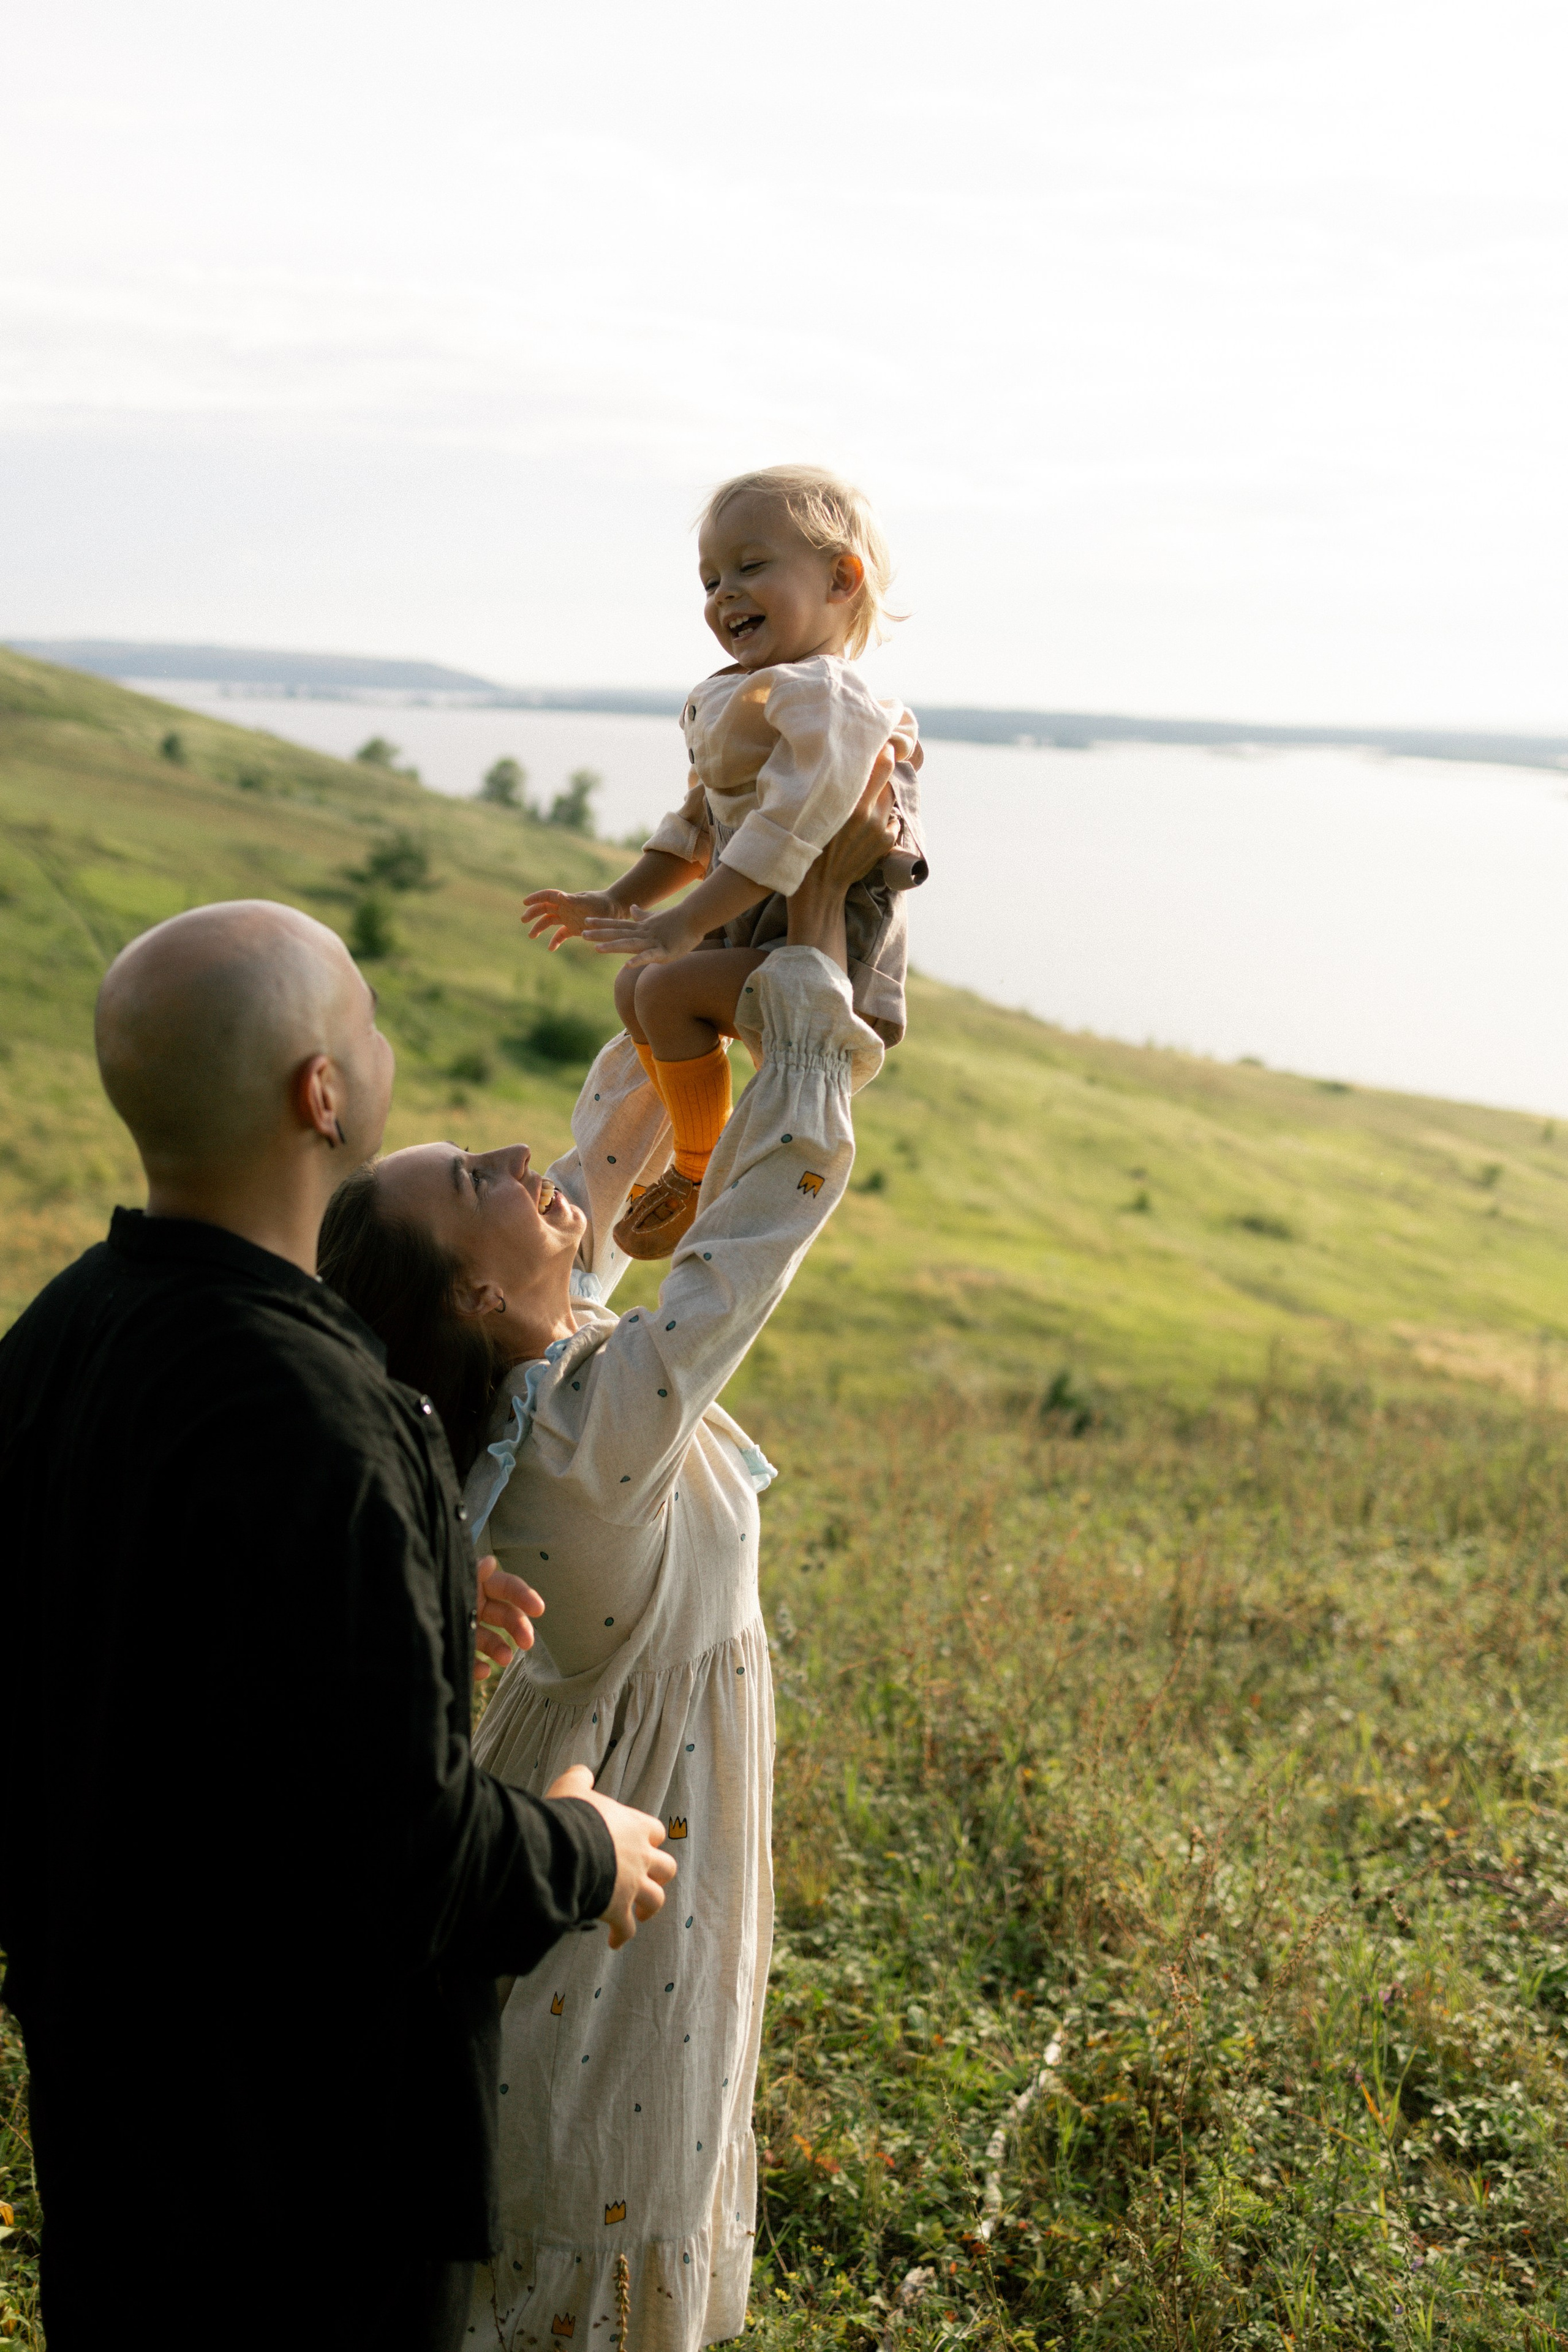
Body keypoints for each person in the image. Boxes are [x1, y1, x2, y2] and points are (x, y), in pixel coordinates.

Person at [0, 901, 676, 2352]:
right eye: (364, 1022)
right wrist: (579, 1842)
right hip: (308, 2171)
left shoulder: (65, 1333)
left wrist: (419, 1590)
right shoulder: (327, 1423)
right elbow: (395, 1859)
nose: (382, 1047)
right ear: (321, 1093)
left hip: (116, 2106)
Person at [317, 768, 900, 2352]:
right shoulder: (576, 1434)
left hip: (657, 1824)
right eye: (473, 1183)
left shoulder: (527, 1375)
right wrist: (806, 971)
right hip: (640, 1862)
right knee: (601, 2193)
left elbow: (614, 1130)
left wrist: (775, 868)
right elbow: (759, 1223)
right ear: (475, 1305)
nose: (521, 1162)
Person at [520, 464, 927, 1261]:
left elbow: (786, 836)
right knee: (636, 985)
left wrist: (684, 926)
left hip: (831, 951)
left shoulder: (831, 701)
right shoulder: (750, 694)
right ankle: (691, 1149)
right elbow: (699, 824)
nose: (724, 594)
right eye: (711, 579)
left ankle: (698, 1170)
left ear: (842, 578)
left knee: (665, 983)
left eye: (751, 567)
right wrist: (620, 900)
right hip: (757, 929)